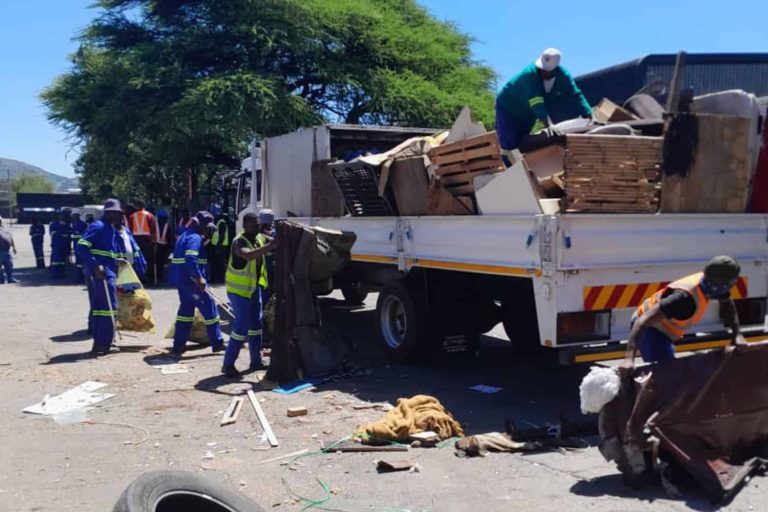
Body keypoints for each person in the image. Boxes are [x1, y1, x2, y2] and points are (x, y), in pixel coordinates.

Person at [621, 256, 746, 372]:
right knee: (665, 375)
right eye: (732, 282)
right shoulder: (684, 299)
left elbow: (727, 303)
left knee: (672, 372)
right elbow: (642, 321)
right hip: (651, 330)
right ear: (720, 283)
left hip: (666, 331)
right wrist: (629, 359)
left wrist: (737, 335)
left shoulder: (712, 283)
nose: (733, 285)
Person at [495, 48, 592, 151]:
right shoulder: (529, 75)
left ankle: (520, 164)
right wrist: (549, 125)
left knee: (522, 142)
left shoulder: (563, 76)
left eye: (545, 70)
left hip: (528, 113)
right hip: (508, 108)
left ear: (554, 70)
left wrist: (588, 114)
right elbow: (537, 102)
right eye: (540, 68)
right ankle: (508, 164)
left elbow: (575, 94)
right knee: (508, 142)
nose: (541, 71)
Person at [222, 211, 277, 378]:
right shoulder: (238, 242)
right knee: (241, 327)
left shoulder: (259, 238)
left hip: (253, 289)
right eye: (253, 225)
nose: (257, 228)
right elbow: (248, 255)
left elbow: (272, 241)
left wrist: (279, 240)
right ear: (245, 225)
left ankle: (256, 360)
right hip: (239, 292)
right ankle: (228, 364)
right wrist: (271, 246)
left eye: (258, 225)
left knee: (256, 326)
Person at [75, 199, 129, 354]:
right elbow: (82, 246)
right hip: (102, 273)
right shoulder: (98, 227)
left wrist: (117, 260)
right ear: (108, 212)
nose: (118, 216)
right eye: (116, 213)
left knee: (101, 308)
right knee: (109, 308)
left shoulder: (110, 228)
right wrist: (94, 264)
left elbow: (106, 251)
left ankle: (100, 343)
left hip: (109, 270)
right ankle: (104, 343)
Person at [169, 211, 225, 356]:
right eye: (206, 227)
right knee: (210, 307)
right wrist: (199, 278)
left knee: (185, 312)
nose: (208, 230)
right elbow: (191, 259)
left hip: (182, 280)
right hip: (192, 280)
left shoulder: (184, 235)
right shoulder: (194, 238)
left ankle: (178, 345)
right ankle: (217, 343)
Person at [128, 199, 156, 285]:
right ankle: (148, 279)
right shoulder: (149, 215)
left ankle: (139, 278)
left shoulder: (132, 216)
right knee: (148, 259)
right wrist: (154, 241)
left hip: (136, 239)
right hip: (146, 239)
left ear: (137, 206)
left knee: (137, 259)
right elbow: (153, 229)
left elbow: (130, 228)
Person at [209, 212, 231, 284]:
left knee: (219, 264)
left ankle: (220, 279)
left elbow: (222, 236)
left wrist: (218, 247)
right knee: (217, 263)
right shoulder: (219, 222)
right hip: (218, 246)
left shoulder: (221, 223)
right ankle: (217, 279)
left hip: (220, 247)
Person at [49, 211, 72, 279]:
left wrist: (65, 236)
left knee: (62, 260)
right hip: (56, 244)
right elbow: (53, 233)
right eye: (59, 215)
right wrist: (62, 235)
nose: (61, 217)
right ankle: (55, 273)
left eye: (62, 215)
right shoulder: (53, 224)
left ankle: (62, 273)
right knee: (55, 259)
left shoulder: (66, 224)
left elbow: (69, 232)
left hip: (64, 244)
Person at [154, 208, 173, 285]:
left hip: (161, 247)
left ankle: (160, 278)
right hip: (158, 247)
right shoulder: (156, 225)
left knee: (160, 264)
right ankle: (158, 279)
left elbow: (169, 238)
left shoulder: (166, 226)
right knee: (159, 264)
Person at [0, 217, 19, 284]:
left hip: (7, 251)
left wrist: (14, 247)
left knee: (9, 266)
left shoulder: (5, 229)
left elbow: (11, 238)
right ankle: (1, 280)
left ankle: (10, 278)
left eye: (0, 220)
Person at [71, 212, 88, 282]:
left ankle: (83, 277)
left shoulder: (82, 224)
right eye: (73, 216)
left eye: (75, 216)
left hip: (81, 244)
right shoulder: (73, 224)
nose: (73, 217)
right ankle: (78, 277)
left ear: (78, 216)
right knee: (78, 262)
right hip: (76, 245)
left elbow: (85, 233)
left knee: (82, 262)